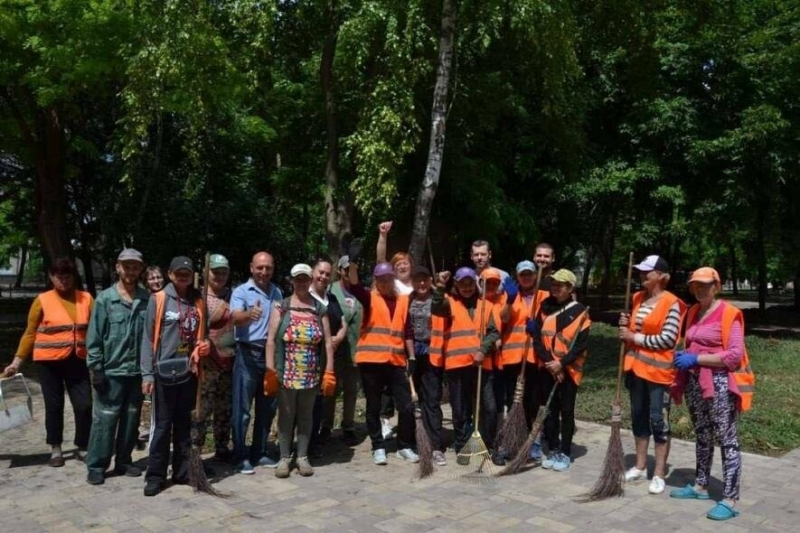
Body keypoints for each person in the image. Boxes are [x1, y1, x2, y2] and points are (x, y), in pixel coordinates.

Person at [669, 267, 754, 521]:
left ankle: (730, 498)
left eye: (705, 284)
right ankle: (701, 486)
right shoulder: (693, 312)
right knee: (703, 435)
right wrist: (683, 369)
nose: (699, 289)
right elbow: (689, 343)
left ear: (716, 286)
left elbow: (733, 356)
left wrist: (698, 358)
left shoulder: (730, 314)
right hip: (697, 383)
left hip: (719, 383)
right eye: (695, 285)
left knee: (727, 439)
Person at [3, 257, 94, 467]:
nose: (63, 280)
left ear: (73, 277)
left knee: (84, 405)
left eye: (67, 276)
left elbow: (97, 329)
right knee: (54, 406)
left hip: (77, 360)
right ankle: (55, 448)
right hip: (48, 363)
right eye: (58, 276)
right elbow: (29, 333)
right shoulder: (42, 300)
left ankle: (83, 445)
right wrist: (16, 362)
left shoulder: (86, 299)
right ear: (51, 277)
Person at [140, 256, 210, 496]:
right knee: (162, 426)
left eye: (187, 273)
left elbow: (203, 334)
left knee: (183, 424)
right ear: (170, 274)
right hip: (163, 373)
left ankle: (182, 471)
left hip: (189, 373)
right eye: (178, 272)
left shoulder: (198, 301)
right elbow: (148, 339)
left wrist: (205, 346)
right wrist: (147, 374)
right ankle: (156, 476)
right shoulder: (158, 299)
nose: (183, 276)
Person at [619, 255, 686, 495]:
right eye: (640, 271)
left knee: (659, 421)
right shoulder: (637, 298)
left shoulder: (672, 303)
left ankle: (658, 473)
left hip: (658, 374)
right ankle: (639, 465)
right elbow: (633, 329)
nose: (641, 274)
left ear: (661, 276)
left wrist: (633, 338)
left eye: (647, 271)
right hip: (636, 370)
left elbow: (668, 339)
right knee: (638, 417)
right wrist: (626, 326)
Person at [84, 248, 149, 485]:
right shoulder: (105, 299)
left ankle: (124, 460)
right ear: (118, 267)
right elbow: (94, 338)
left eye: (135, 266)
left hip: (136, 372)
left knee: (131, 419)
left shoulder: (146, 300)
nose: (131, 270)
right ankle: (97, 465)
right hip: (111, 371)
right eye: (127, 266)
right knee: (105, 419)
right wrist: (96, 369)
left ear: (140, 269)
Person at [265, 264, 336, 478]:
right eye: (298, 279)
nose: (302, 282)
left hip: (311, 374)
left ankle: (302, 456)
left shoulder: (319, 308)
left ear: (311, 280)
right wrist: (270, 371)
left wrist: (329, 371)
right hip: (286, 373)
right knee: (286, 415)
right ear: (292, 281)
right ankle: (284, 458)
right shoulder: (282, 306)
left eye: (305, 278)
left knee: (306, 416)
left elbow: (328, 344)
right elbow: (270, 341)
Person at [348, 261, 419, 466]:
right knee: (374, 406)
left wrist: (411, 356)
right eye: (382, 279)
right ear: (376, 281)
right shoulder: (369, 298)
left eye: (389, 278)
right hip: (371, 362)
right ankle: (378, 446)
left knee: (406, 406)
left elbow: (407, 331)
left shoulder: (403, 301)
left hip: (396, 360)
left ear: (393, 279)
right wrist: (352, 263)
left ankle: (404, 446)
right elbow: (355, 287)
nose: (386, 282)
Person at [431, 267, 501, 464]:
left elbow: (494, 332)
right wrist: (439, 286)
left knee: (489, 407)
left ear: (476, 284)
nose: (467, 287)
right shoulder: (449, 303)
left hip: (481, 366)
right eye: (463, 283)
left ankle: (489, 445)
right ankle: (462, 446)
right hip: (457, 366)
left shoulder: (485, 305)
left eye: (470, 283)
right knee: (460, 409)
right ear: (457, 284)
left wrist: (482, 350)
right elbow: (435, 307)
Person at [530, 269, 591, 472]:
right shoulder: (544, 308)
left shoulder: (579, 311)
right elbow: (537, 339)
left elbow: (580, 344)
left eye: (560, 284)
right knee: (550, 410)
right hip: (547, 368)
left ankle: (565, 451)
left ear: (570, 288)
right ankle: (553, 448)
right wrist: (550, 362)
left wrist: (561, 364)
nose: (555, 287)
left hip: (568, 370)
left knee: (566, 410)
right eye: (553, 283)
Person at [230, 251, 283, 474]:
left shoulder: (277, 292)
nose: (264, 272)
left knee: (267, 407)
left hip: (270, 357)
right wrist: (248, 314)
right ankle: (240, 456)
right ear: (251, 267)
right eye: (260, 267)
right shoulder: (241, 291)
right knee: (242, 410)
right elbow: (234, 317)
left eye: (268, 268)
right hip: (247, 354)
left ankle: (259, 452)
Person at [498, 260, 549, 460]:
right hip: (512, 359)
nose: (526, 277)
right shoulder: (509, 294)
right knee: (513, 401)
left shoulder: (544, 296)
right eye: (522, 274)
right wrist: (510, 300)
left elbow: (553, 323)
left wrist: (539, 328)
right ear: (517, 276)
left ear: (535, 275)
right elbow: (503, 318)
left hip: (535, 358)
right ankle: (514, 440)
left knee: (534, 401)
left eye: (529, 274)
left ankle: (534, 441)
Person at [376, 221, 413, 439]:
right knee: (388, 387)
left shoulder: (417, 286)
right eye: (397, 263)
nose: (401, 266)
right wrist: (383, 235)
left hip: (411, 339)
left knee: (407, 386)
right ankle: (385, 420)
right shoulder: (392, 286)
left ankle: (410, 423)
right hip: (391, 342)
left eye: (405, 263)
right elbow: (380, 260)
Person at [407, 265, 446, 466]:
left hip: (433, 354)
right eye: (418, 280)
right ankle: (417, 442)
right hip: (413, 355)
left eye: (425, 280)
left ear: (430, 280)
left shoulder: (438, 300)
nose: (422, 284)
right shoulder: (407, 300)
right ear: (412, 281)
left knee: (432, 399)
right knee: (415, 400)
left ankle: (436, 446)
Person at [307, 258, 346, 455]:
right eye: (320, 272)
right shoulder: (304, 297)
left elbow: (342, 322)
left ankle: (313, 443)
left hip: (327, 357)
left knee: (319, 401)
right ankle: (298, 445)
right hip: (307, 358)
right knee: (304, 401)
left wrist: (338, 337)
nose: (323, 276)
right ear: (313, 273)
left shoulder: (331, 299)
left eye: (327, 274)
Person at [199, 254, 235, 462]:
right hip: (207, 365)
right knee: (202, 411)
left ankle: (222, 447)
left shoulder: (232, 295)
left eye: (224, 272)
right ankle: (197, 452)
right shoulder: (200, 297)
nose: (220, 276)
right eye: (215, 272)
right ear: (206, 272)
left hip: (229, 363)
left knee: (224, 409)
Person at [324, 256, 363, 446]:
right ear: (339, 270)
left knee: (351, 390)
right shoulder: (330, 292)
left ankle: (348, 426)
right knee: (330, 389)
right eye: (346, 269)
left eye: (353, 269)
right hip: (334, 350)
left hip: (356, 350)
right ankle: (326, 426)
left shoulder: (361, 293)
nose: (349, 273)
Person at [138, 265, 165, 448]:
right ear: (145, 282)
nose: (156, 281)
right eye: (152, 278)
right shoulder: (145, 300)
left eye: (158, 277)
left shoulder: (168, 298)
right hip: (148, 354)